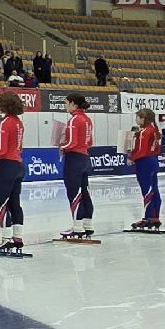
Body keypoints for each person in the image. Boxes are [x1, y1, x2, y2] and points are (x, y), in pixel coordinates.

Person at [0, 90, 28, 253]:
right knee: (14, 202)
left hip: (7, 166)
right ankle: (17, 238)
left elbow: (2, 150)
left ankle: (6, 238)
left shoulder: (5, 123)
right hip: (18, 165)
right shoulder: (18, 122)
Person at [57, 94, 96, 240]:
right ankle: (88, 224)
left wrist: (62, 146)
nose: (66, 106)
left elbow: (72, 142)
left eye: (66, 103)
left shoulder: (74, 119)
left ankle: (77, 227)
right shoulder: (87, 119)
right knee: (84, 191)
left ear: (73, 104)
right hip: (85, 157)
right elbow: (89, 141)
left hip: (74, 159)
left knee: (74, 192)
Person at [128, 107, 163, 231]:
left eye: (137, 117)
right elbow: (158, 149)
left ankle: (148, 218)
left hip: (144, 162)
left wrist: (131, 158)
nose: (136, 119)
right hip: (153, 160)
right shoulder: (154, 130)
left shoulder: (145, 131)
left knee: (147, 190)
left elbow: (142, 151)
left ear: (142, 118)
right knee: (154, 189)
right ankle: (155, 217)